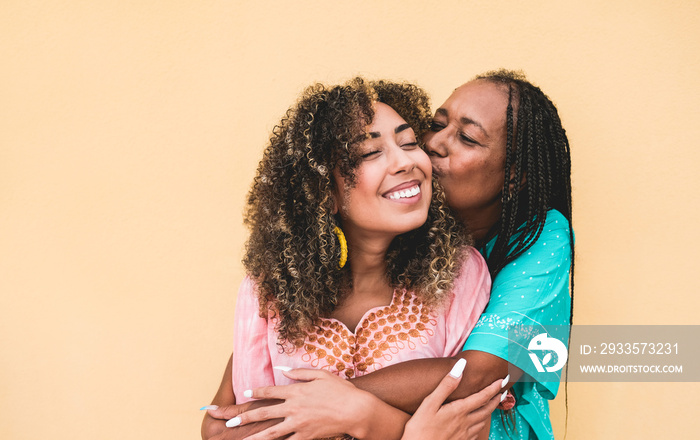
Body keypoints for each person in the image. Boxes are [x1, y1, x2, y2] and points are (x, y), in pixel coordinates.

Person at [203, 69, 573, 440]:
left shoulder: (516, 248)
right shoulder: (281, 284)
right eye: (433, 126)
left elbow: (478, 375)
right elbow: (222, 424)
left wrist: (345, 406)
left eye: (467, 138)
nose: (432, 146)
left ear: (512, 177)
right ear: (324, 193)